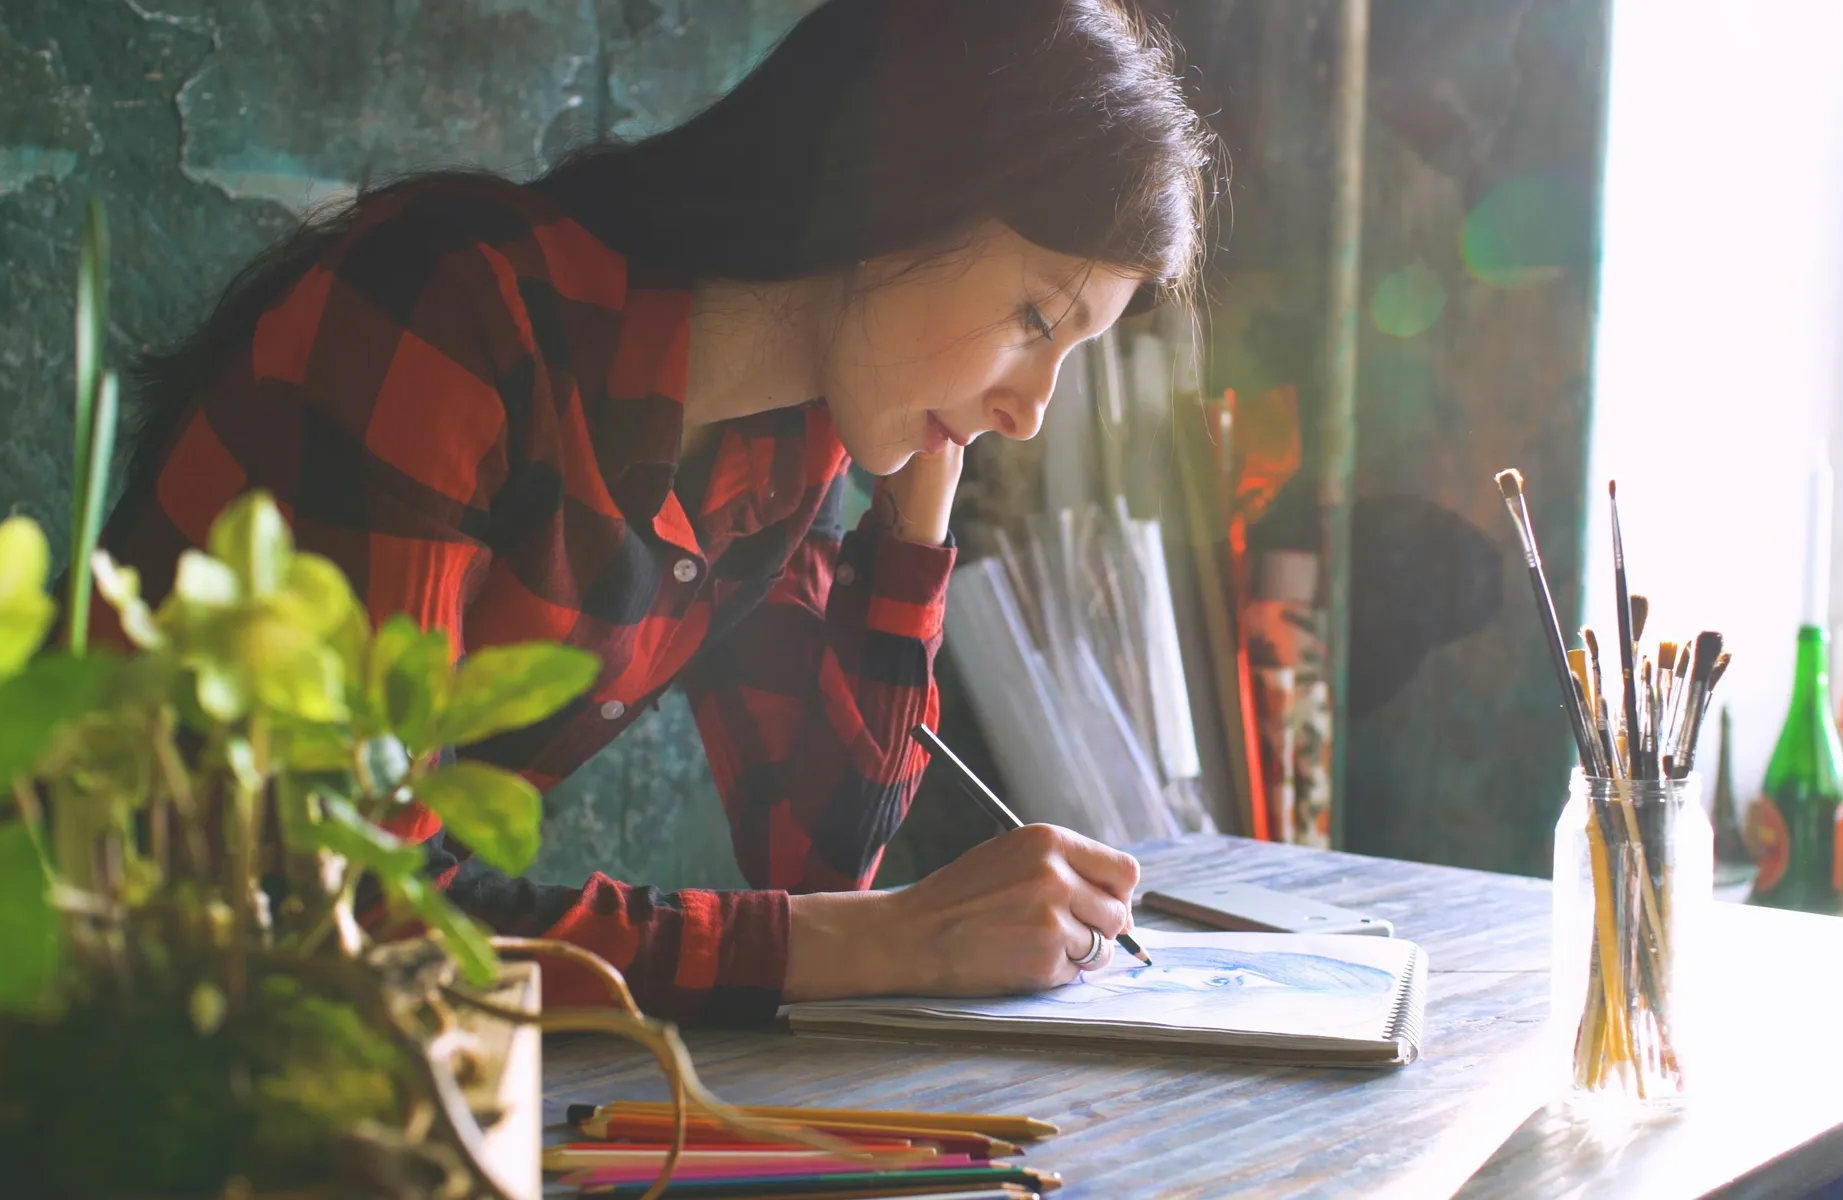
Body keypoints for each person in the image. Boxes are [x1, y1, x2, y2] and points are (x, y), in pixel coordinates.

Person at [97, 0, 1214, 1027]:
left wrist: (913, 515)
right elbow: (348, 898)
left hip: (334, 1052)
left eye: (1071, 352)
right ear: (896, 185)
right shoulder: (455, 316)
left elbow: (818, 856)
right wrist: (884, 941)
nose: (1030, 412)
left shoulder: (779, 445)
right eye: (1033, 317)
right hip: (96, 1024)